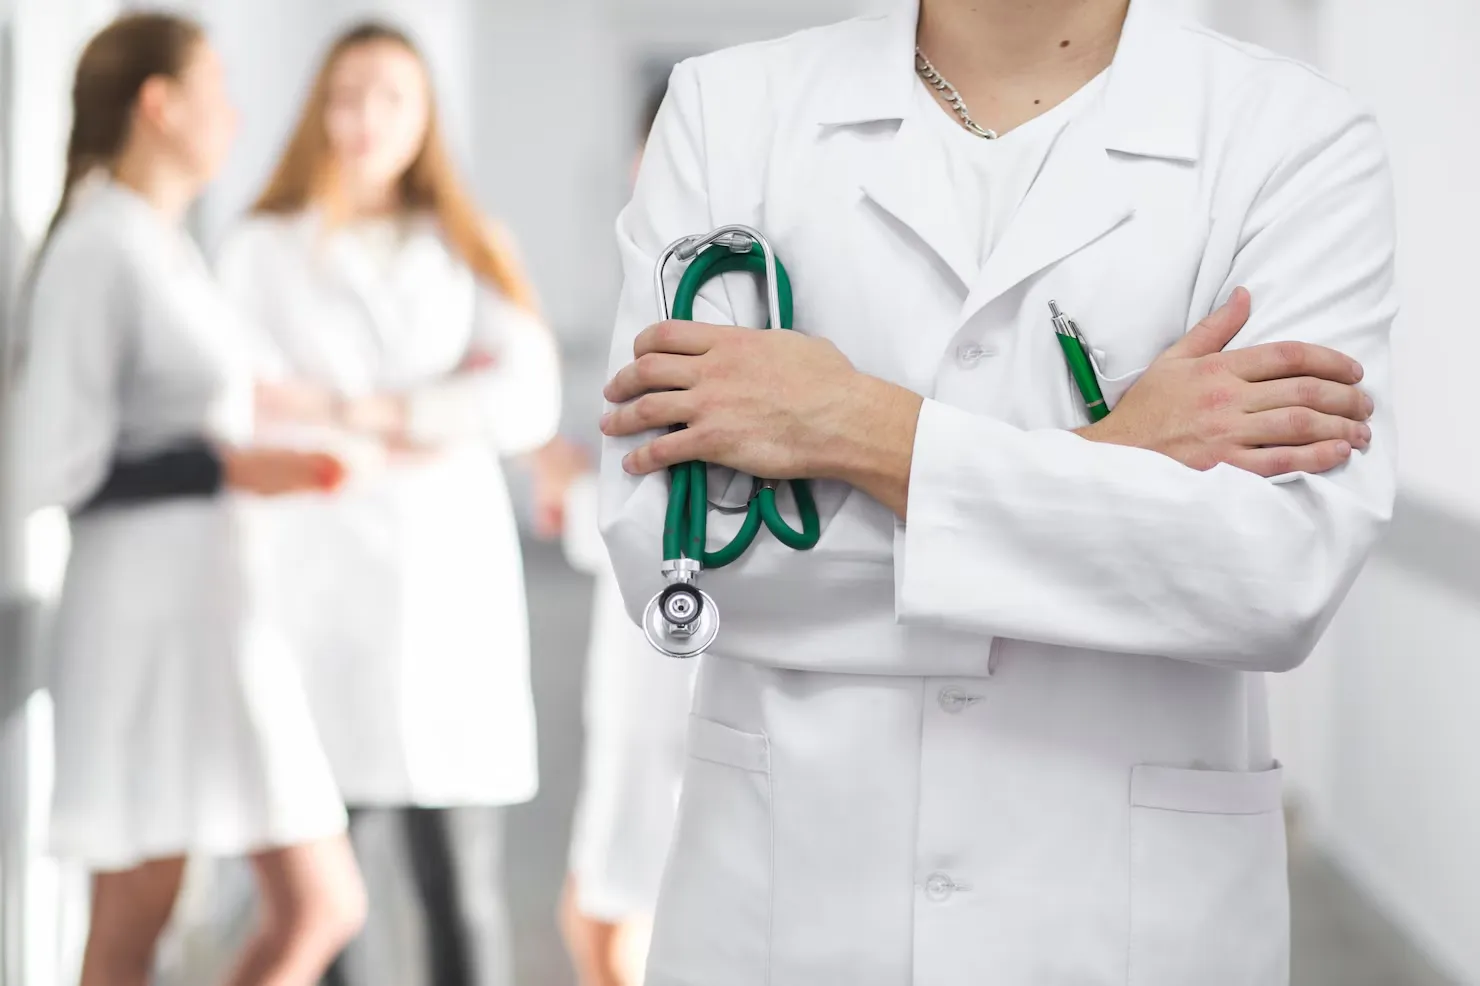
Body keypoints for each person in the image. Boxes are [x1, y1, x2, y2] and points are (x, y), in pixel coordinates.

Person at [597, 1, 1397, 983]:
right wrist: (1111, 454)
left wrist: (856, 427)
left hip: (1124, 924)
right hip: (790, 910)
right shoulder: (728, 111)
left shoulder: (1290, 135)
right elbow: (678, 561)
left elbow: (1269, 574)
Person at [16, 13, 368, 986]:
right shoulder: (98, 247)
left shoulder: (158, 243)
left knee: (315, 900)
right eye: (215, 87)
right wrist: (225, 468)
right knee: (138, 920)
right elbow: (48, 466)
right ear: (159, 104)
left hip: (209, 612)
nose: (235, 112)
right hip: (143, 622)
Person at [215, 21, 560, 986]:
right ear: (318, 109)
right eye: (348, 95)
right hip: (315, 587)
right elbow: (249, 407)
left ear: (427, 118)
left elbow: (526, 398)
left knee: (462, 885)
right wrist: (440, 409)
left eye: (392, 98)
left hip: (449, 585)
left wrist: (352, 408)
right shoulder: (261, 249)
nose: (366, 119)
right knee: (333, 892)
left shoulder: (468, 243)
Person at [532, 81, 692, 986]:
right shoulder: (656, 278)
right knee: (607, 907)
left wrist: (572, 489)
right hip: (643, 644)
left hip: (664, 646)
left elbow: (667, 501)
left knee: (606, 910)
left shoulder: (692, 296)